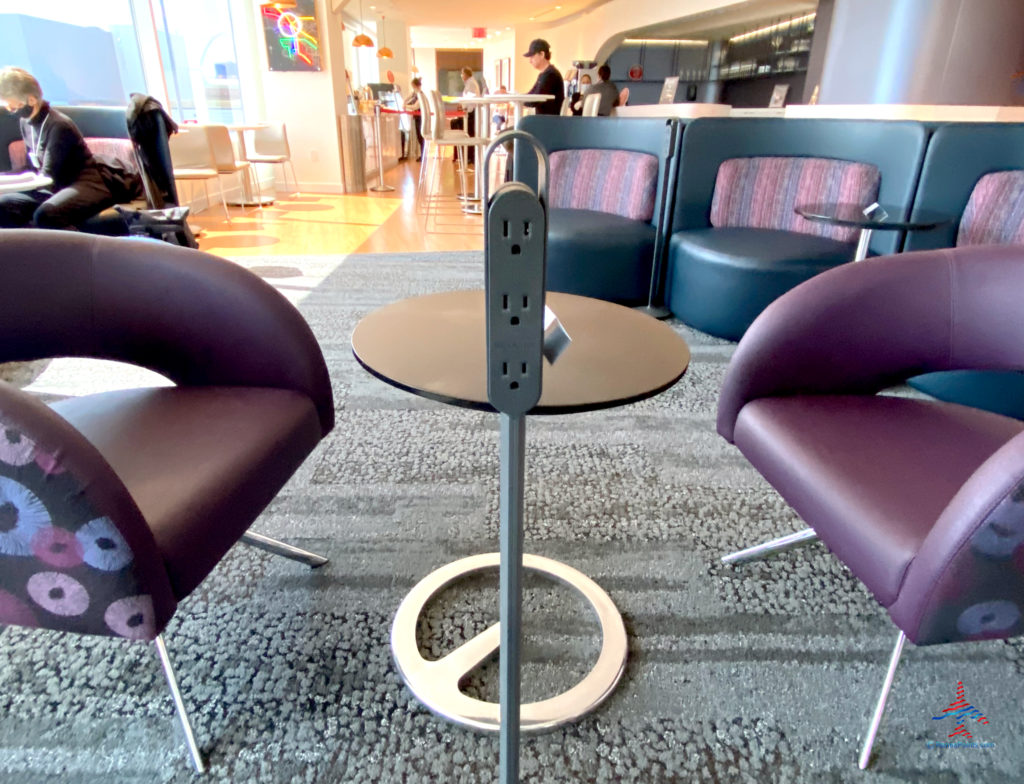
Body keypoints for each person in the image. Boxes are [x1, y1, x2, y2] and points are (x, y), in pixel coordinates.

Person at [0, 67, 137, 230]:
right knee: (3, 205)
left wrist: (12, 183)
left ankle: (75, 252)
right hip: (53, 185)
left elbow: (48, 176)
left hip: (84, 183)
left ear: (31, 100)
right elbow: (33, 168)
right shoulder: (26, 123)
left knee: (46, 215)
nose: (10, 111)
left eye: (13, 106)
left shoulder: (59, 125)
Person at [450, 66, 482, 165]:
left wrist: (462, 105)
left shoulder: (471, 83)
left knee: (470, 133)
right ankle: (463, 155)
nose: (461, 76)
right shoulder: (470, 83)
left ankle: (468, 156)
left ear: (466, 74)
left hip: (471, 112)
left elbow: (469, 99)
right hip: (470, 111)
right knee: (470, 132)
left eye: (462, 73)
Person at [523, 39, 563, 116]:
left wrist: (519, 100)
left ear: (542, 54)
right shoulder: (544, 75)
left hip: (547, 122)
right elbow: (531, 95)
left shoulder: (550, 75)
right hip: (544, 120)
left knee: (516, 126)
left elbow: (534, 100)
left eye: (532, 56)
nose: (530, 61)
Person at [404, 77, 425, 162]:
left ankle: (423, 155)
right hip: (417, 118)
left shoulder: (420, 95)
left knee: (421, 136)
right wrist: (405, 103)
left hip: (420, 118)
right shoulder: (415, 94)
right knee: (419, 136)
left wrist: (405, 106)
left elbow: (416, 106)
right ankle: (422, 154)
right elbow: (408, 98)